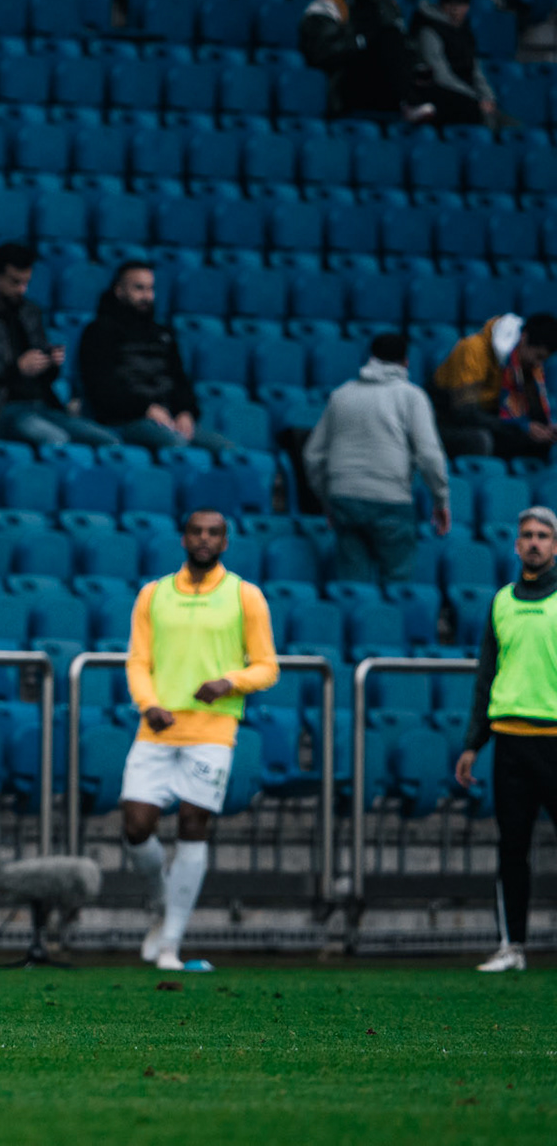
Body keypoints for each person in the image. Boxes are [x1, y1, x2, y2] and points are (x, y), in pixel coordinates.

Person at [121, 510, 279, 974]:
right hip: (158, 727)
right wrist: (148, 704)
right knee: (135, 825)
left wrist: (228, 683)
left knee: (193, 823)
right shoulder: (153, 594)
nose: (204, 539)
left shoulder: (244, 595)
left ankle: (170, 944)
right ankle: (161, 903)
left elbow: (267, 666)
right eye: (197, 531)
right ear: (184, 538)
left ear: (225, 542)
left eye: (214, 533)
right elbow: (137, 660)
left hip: (212, 732)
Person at [455, 507, 557, 973]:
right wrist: (473, 742)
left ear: (554, 546)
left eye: (543, 536)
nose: (534, 542)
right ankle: (512, 946)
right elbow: (485, 676)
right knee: (511, 848)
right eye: (527, 536)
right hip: (510, 741)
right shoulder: (501, 601)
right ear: (516, 546)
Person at [303, 333, 451, 582]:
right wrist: (441, 500)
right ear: (406, 362)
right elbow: (429, 455)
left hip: (344, 497)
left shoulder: (341, 395)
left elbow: (312, 455)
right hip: (390, 499)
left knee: (352, 586)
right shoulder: (411, 396)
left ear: (371, 358)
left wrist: (328, 499)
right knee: (397, 586)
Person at [0, 242, 115, 446]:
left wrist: (50, 362)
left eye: (26, 282)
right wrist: (16, 368)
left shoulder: (30, 311)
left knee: (107, 440)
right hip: (3, 408)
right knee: (56, 440)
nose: (22, 289)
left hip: (43, 404)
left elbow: (45, 373)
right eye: (15, 282)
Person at [78, 262, 231, 452]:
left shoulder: (163, 334)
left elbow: (180, 380)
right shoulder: (98, 331)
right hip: (123, 420)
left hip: (167, 419)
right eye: (139, 288)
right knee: (175, 444)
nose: (147, 296)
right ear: (119, 290)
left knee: (226, 449)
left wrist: (185, 412)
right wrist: (145, 409)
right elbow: (102, 389)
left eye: (151, 289)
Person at [300, 0, 432, 122]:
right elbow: (321, 52)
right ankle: (410, 101)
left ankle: (413, 102)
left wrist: (418, 67)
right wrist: (361, 42)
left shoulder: (386, 8)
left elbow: (404, 45)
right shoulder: (330, 5)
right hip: (346, 83)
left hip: (382, 83)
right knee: (388, 38)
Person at [432, 312, 557, 461]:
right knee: (481, 441)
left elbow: (533, 411)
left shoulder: (525, 361)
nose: (538, 364)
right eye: (538, 357)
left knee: (540, 442)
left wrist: (546, 429)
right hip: (448, 420)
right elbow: (464, 413)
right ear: (523, 338)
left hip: (486, 419)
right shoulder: (474, 350)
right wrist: (521, 427)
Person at [412, 0, 501, 128]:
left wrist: (488, 97)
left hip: (468, 96)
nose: (454, 9)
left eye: (460, 4)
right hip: (441, 96)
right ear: (441, 4)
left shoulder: (465, 32)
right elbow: (440, 75)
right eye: (449, 3)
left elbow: (475, 70)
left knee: (513, 127)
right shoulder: (429, 30)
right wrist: (476, 99)